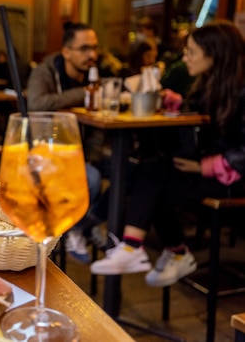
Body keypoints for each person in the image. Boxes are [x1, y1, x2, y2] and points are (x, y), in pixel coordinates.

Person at [91, 20, 245, 287]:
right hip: (209, 167)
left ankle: (157, 250)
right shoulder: (211, 84)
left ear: (215, 54)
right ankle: (146, 249)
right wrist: (172, 102)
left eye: (191, 52)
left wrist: (204, 166)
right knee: (148, 171)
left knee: (152, 181)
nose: (185, 57)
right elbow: (198, 116)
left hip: (234, 177)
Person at [26, 21, 107, 263]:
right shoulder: (45, 72)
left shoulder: (94, 73)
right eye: (84, 48)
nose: (92, 55)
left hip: (84, 151)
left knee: (133, 169)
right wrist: (86, 93)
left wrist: (90, 157)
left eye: (94, 48)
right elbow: (36, 104)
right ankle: (73, 228)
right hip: (49, 149)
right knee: (90, 178)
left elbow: (97, 125)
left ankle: (84, 225)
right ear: (66, 52)